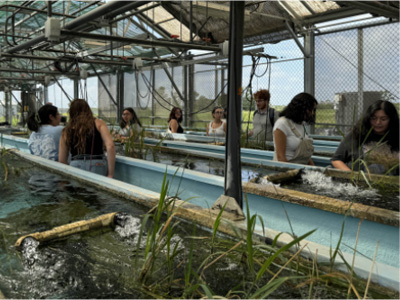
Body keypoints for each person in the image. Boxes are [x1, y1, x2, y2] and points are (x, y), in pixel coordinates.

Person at [331, 100, 399, 174]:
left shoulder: (397, 137)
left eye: (383, 119)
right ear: (368, 118)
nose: (378, 122)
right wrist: (351, 176)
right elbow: (336, 160)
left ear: (391, 120)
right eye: (373, 118)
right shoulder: (356, 135)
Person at [59, 99, 116, 178]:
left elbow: (62, 160)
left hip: (75, 165)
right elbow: (110, 146)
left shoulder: (66, 131)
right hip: (97, 164)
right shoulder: (99, 123)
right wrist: (110, 174)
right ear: (88, 109)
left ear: (71, 112)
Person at [273, 92, 318, 165]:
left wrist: (315, 170)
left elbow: (305, 156)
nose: (312, 113)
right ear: (300, 108)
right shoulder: (282, 124)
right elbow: (281, 158)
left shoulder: (301, 125)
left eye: (313, 110)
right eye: (310, 110)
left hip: (301, 168)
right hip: (285, 170)